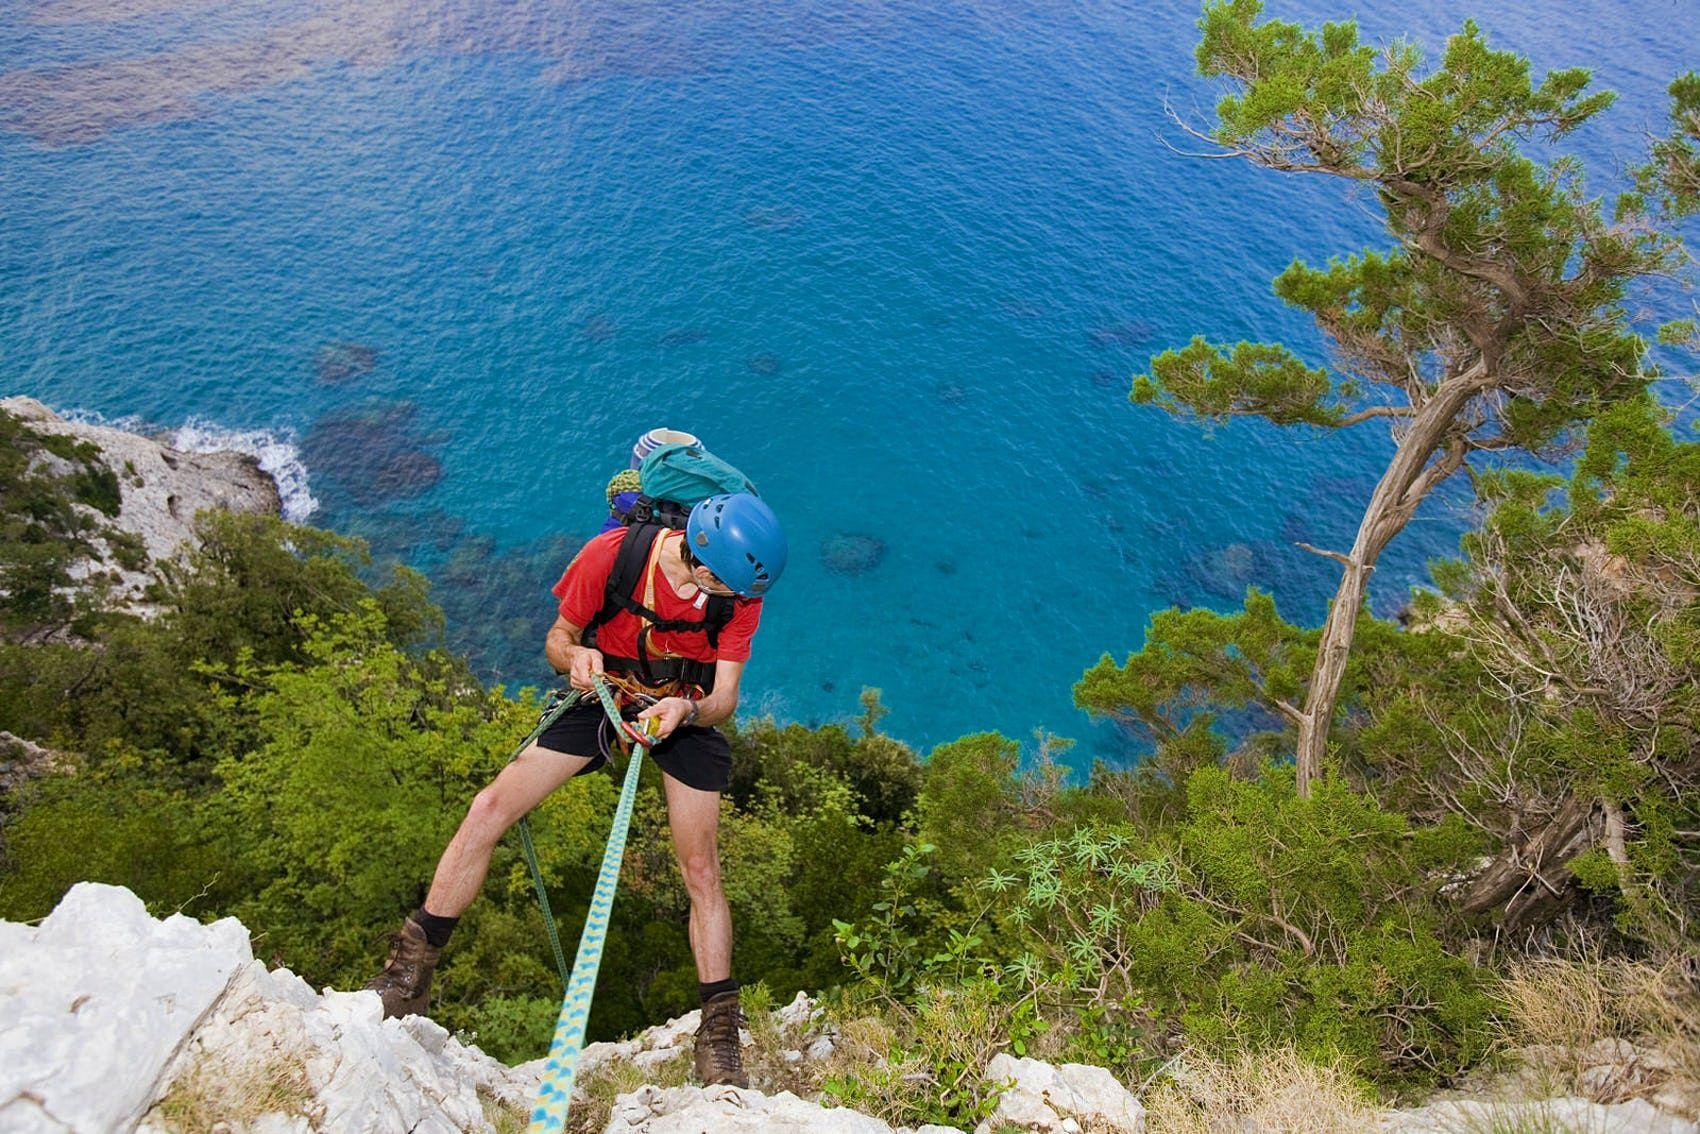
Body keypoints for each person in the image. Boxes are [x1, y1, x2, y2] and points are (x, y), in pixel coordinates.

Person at [364, 492, 787, 1089]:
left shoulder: (738, 597)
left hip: (679, 708)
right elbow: (558, 639)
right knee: (487, 809)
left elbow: (724, 700)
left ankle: (719, 1035)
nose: (732, 603)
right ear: (704, 564)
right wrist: (576, 658)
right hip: (606, 692)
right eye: (724, 590)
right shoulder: (610, 557)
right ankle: (408, 974)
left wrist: (683, 714)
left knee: (701, 871)